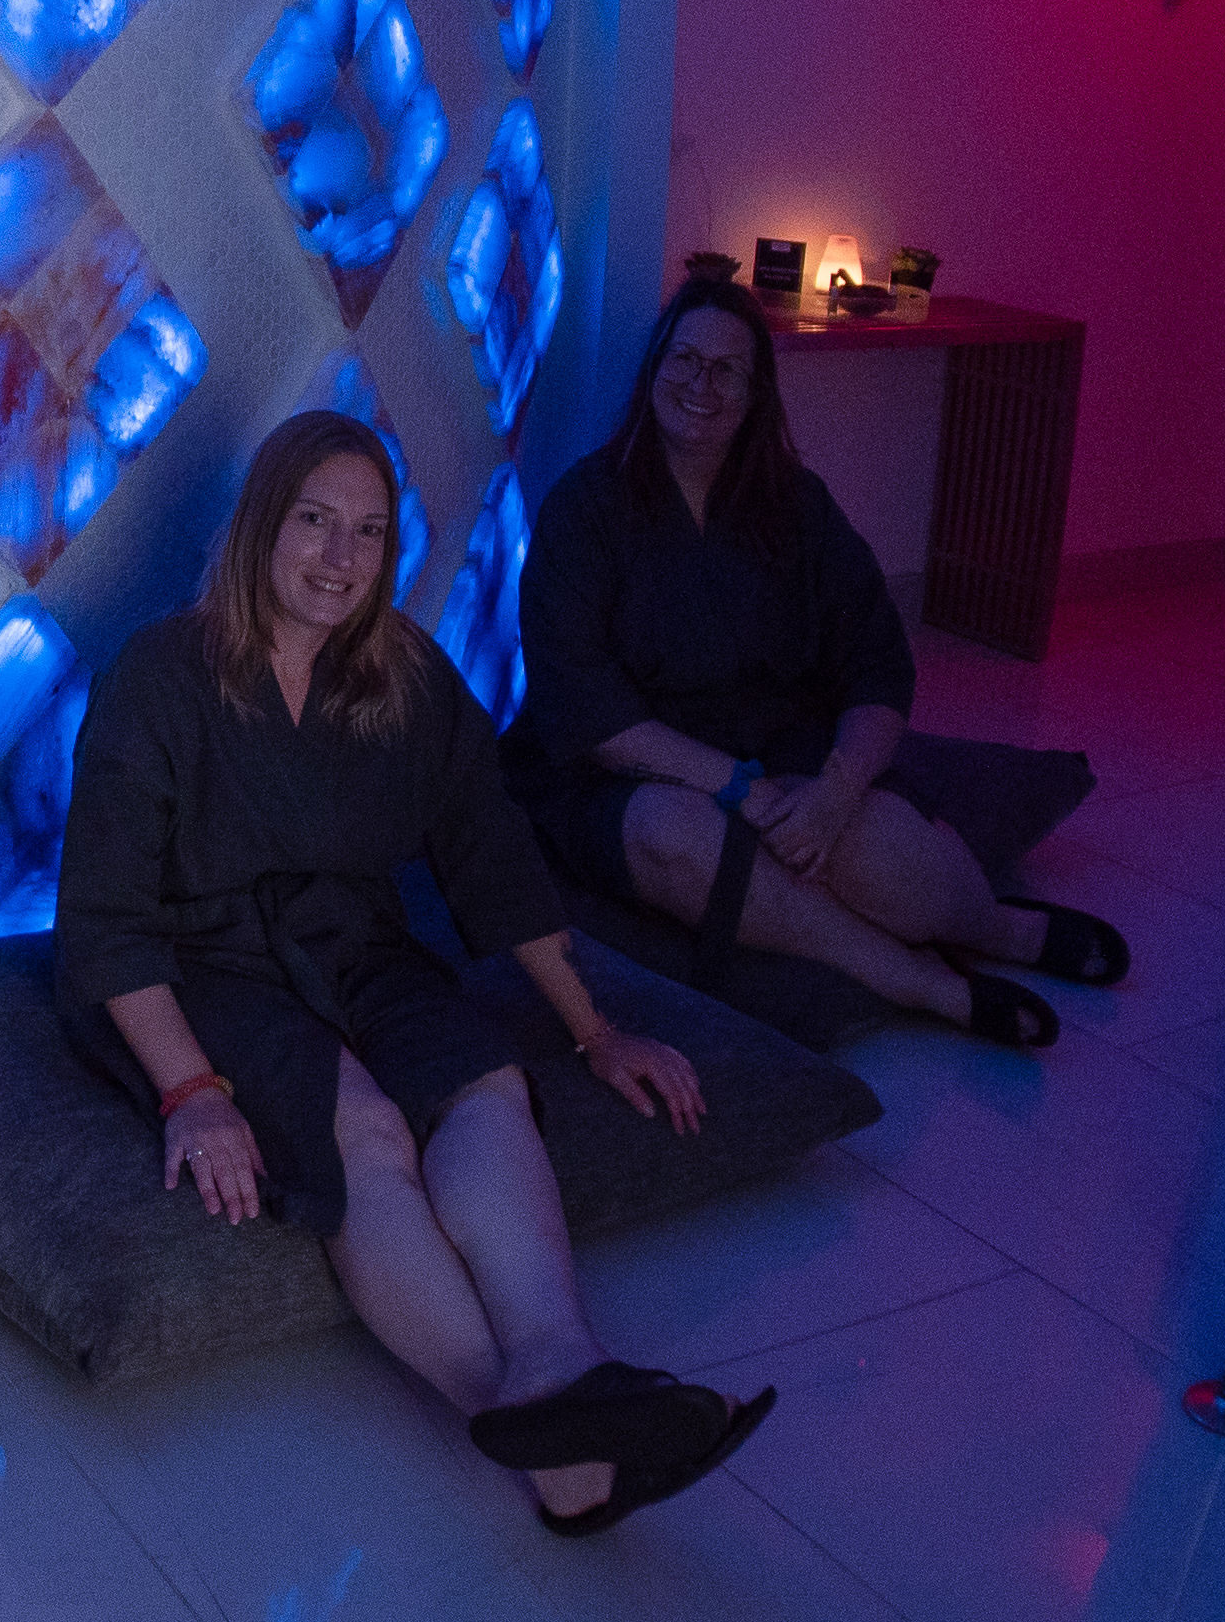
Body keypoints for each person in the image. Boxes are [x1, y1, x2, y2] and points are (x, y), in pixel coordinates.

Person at [58, 410, 772, 1533]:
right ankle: (519, 1419)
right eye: (313, 522)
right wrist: (193, 1094)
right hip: (192, 966)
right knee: (365, 1133)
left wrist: (595, 1032)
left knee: (480, 1083)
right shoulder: (160, 674)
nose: (339, 559)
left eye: (368, 533)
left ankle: (561, 1360)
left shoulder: (405, 677)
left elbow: (490, 856)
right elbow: (102, 918)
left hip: (355, 941)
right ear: (259, 525)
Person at [509, 281, 1132, 1049]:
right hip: (629, 780)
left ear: (755, 393)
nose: (701, 385)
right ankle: (915, 980)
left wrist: (835, 792)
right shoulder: (584, 507)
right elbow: (588, 711)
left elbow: (876, 663)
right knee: (680, 836)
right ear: (653, 369)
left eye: (726, 370)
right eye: (685, 359)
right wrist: (737, 788)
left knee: (894, 861)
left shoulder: (797, 507)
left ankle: (994, 928)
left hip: (782, 754)